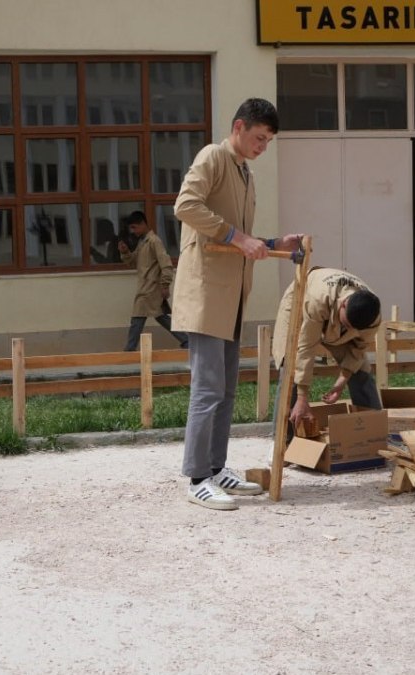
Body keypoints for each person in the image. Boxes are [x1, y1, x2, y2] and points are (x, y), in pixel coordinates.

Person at [170, 97, 303, 511]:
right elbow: (185, 206)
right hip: (207, 295)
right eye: (259, 138)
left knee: (226, 390)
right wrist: (238, 238)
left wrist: (270, 244)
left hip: (231, 298)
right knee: (207, 388)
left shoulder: (244, 172)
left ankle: (215, 467)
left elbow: (238, 237)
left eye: (268, 141)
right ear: (239, 127)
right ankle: (197, 478)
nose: (263, 147)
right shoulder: (213, 156)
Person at [271, 268, 383, 431]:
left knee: (361, 370)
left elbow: (357, 350)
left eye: (352, 328)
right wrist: (302, 398)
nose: (347, 329)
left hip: (333, 310)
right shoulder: (317, 298)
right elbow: (306, 347)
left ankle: (373, 433)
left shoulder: (373, 318)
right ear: (344, 304)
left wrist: (341, 382)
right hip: (303, 298)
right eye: (346, 325)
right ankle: (283, 442)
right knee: (290, 366)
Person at [118, 211, 188, 351]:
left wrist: (165, 284)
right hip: (146, 288)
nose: (133, 231)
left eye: (134, 227)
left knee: (137, 319)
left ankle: (129, 351)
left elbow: (166, 264)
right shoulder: (143, 242)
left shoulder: (154, 241)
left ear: (143, 224)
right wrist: (125, 252)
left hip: (151, 289)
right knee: (161, 317)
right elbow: (133, 262)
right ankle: (187, 341)